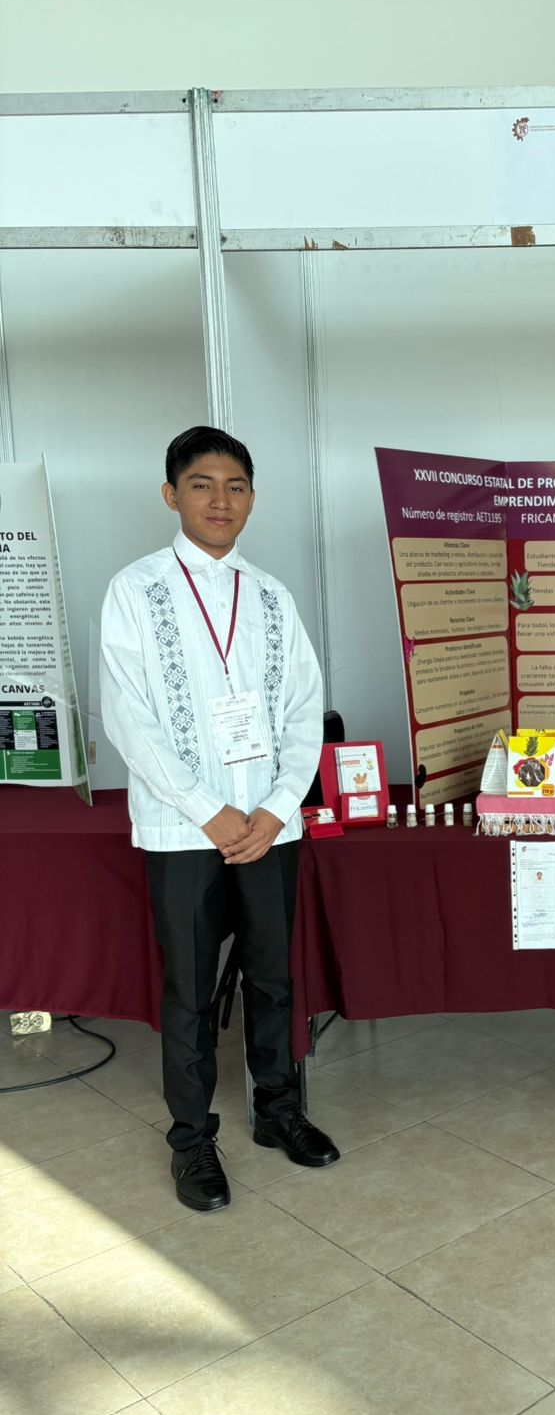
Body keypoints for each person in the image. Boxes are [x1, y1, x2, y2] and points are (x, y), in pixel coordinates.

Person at [101, 426, 339, 1212]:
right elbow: (127, 717)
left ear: (252, 499)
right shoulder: (136, 590)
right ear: (171, 494)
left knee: (273, 977)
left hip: (269, 829)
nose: (219, 500)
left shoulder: (271, 596)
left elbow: (305, 710)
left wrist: (274, 809)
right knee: (191, 991)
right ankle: (192, 1142)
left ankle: (278, 1110)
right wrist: (208, 811)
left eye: (235, 486)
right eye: (202, 484)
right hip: (183, 832)